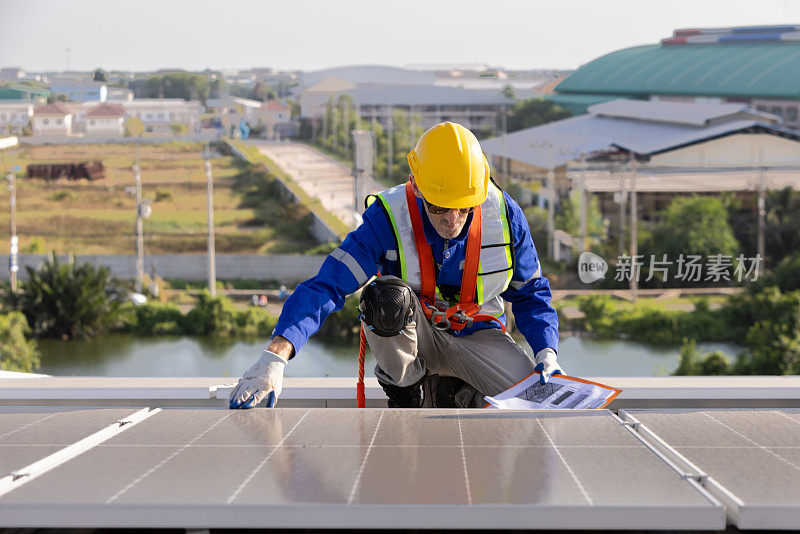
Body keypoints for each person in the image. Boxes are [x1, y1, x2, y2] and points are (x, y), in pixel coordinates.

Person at [229, 122, 562, 409]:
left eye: (463, 207)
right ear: (415, 185)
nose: (452, 219)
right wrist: (275, 356)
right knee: (384, 297)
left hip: (479, 334)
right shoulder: (388, 217)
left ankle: (460, 390)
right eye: (439, 207)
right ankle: (406, 392)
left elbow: (530, 291)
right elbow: (328, 285)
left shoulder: (504, 216)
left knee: (534, 401)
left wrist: (546, 350)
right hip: (413, 335)